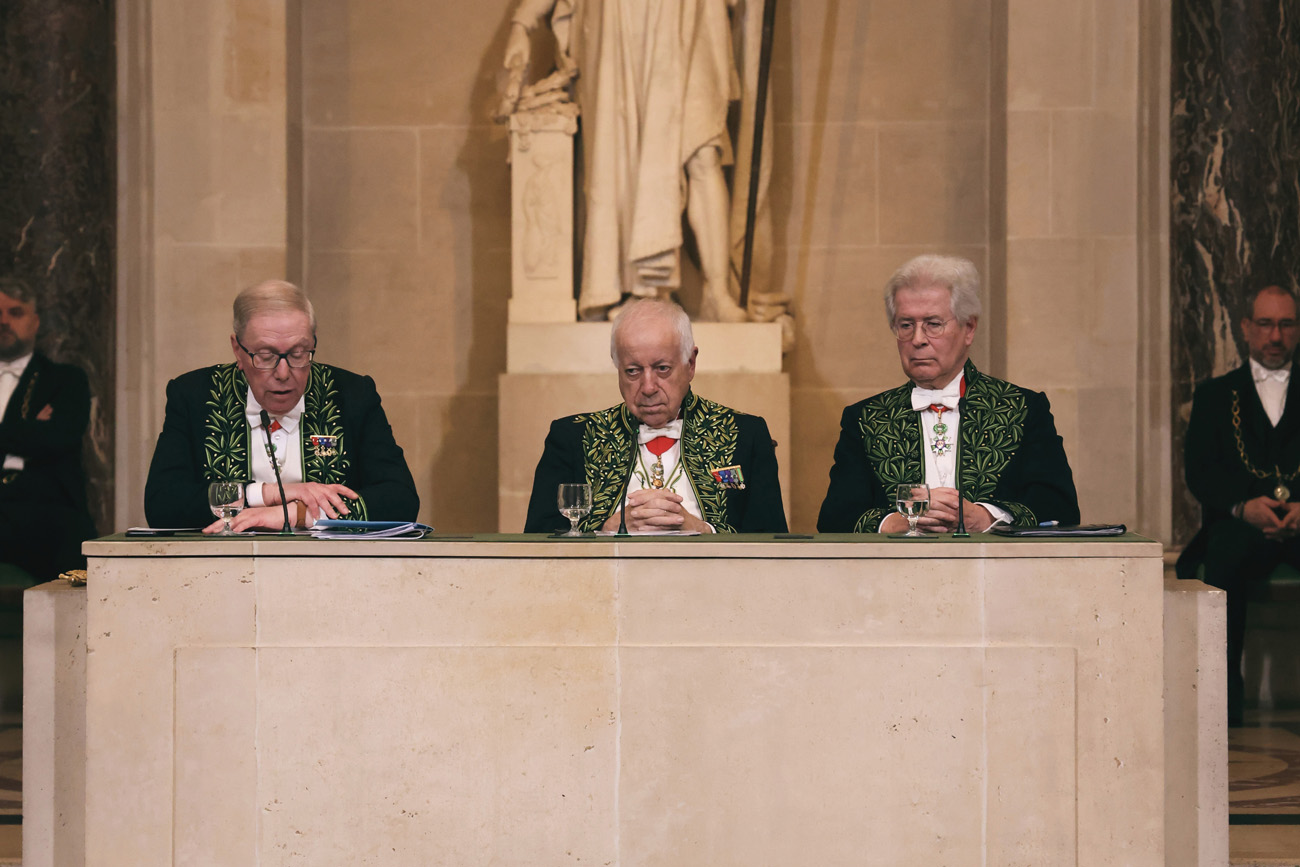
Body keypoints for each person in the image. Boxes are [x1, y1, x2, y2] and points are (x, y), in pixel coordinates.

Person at [501, 0, 752, 323]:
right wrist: (523, 22)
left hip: (690, 16)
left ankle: (718, 294)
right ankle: (644, 288)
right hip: (618, 22)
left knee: (703, 149)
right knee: (624, 167)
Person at [817, 255, 1080, 534]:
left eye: (933, 323)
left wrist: (985, 517)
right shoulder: (866, 418)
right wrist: (900, 521)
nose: (918, 339)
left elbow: (1060, 510)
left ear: (969, 328)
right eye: (906, 325)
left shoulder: (1023, 408)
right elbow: (835, 519)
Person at [144, 280, 419, 532]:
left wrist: (293, 514)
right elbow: (163, 505)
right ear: (238, 350)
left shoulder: (351, 395)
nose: (284, 372)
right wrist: (269, 494)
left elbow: (401, 499)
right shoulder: (196, 396)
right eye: (265, 356)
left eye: (299, 354)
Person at [524, 298, 787, 533]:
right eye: (632, 371)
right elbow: (537, 540)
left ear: (690, 364)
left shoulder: (745, 434)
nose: (648, 387)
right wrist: (604, 530)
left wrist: (704, 531)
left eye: (662, 369)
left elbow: (773, 541)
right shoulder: (573, 438)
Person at [1178, 283, 1300, 725]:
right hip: (1239, 525)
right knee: (1222, 560)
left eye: (1286, 324)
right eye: (1265, 324)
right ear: (1246, 328)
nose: (1275, 336)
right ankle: (1223, 702)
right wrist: (1241, 507)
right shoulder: (1215, 394)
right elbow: (1200, 470)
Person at [0, 277, 96, 579]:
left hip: (44, 507)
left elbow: (58, 439)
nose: (4, 321)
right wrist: (27, 428)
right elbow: (37, 439)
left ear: (35, 321)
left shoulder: (64, 380)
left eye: (15, 313)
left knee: (70, 536)